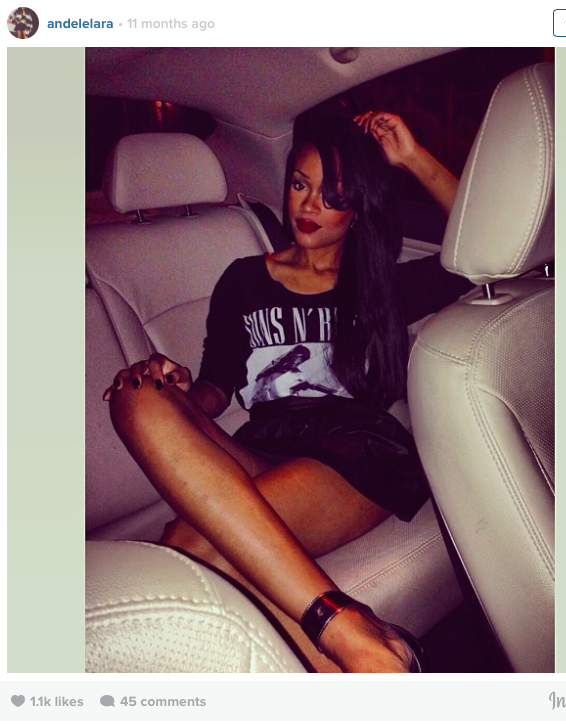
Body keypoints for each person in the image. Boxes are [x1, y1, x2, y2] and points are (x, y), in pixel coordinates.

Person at [103, 112, 472, 673]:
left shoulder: (380, 286)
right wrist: (176, 390)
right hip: (263, 445)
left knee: (186, 549)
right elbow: (218, 385)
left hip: (352, 452)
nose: (308, 205)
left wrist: (412, 157)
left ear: (357, 209)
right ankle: (363, 651)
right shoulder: (243, 279)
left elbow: (481, 256)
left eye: (332, 195)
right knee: (136, 394)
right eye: (300, 184)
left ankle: (343, 643)